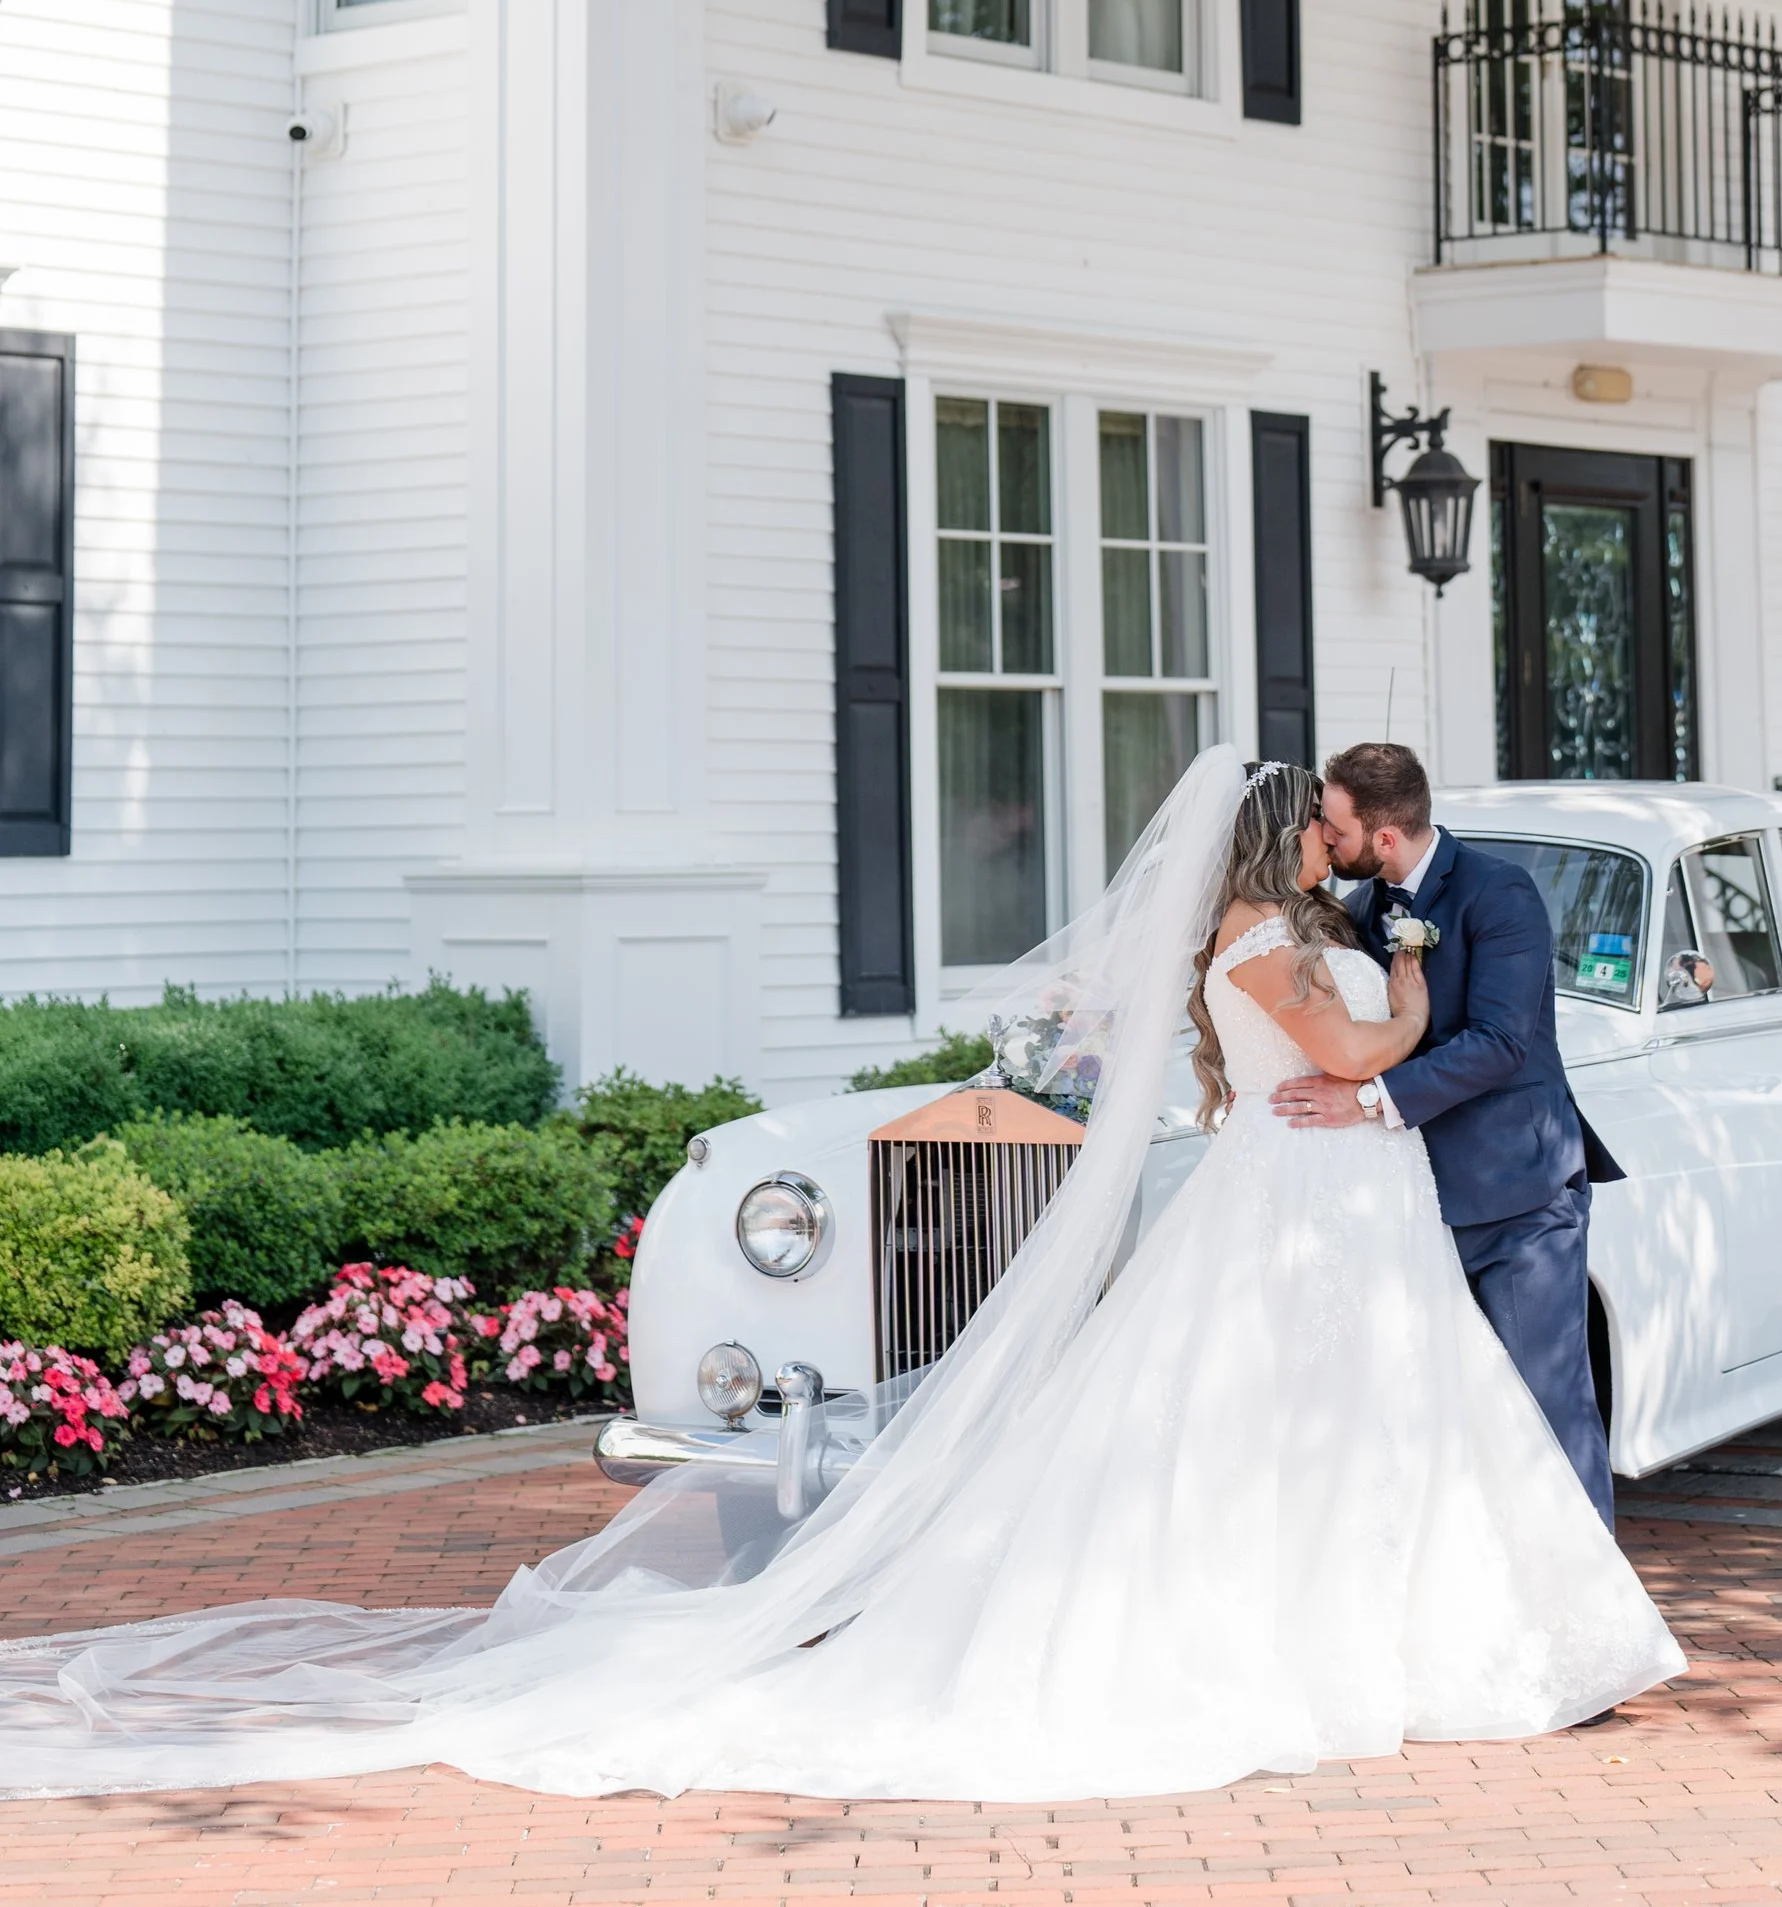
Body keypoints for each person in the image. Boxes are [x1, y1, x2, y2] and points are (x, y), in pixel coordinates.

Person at [0, 749, 1679, 1804]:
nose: (1334, 842)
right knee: (1270, 1434)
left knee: (1373, 1427)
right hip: (1306, 1202)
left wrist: (1386, 995)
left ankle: (1422, 1629)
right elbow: (1373, 1037)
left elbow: (1410, 1044)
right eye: (1313, 827)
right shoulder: (1278, 942)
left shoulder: (1282, 933)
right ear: (1277, 847)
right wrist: (1399, 981)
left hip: (1336, 1200)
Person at [1282, 742, 1621, 1520]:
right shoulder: (1364, 909)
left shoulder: (1501, 894)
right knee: (1446, 1421)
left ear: (1385, 835)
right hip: (1411, 1206)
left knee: (1548, 1410)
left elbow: (1501, 1043)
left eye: (1335, 829)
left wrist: (1367, 1102)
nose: (1326, 842)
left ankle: (1597, 1605)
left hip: (1518, 1202)